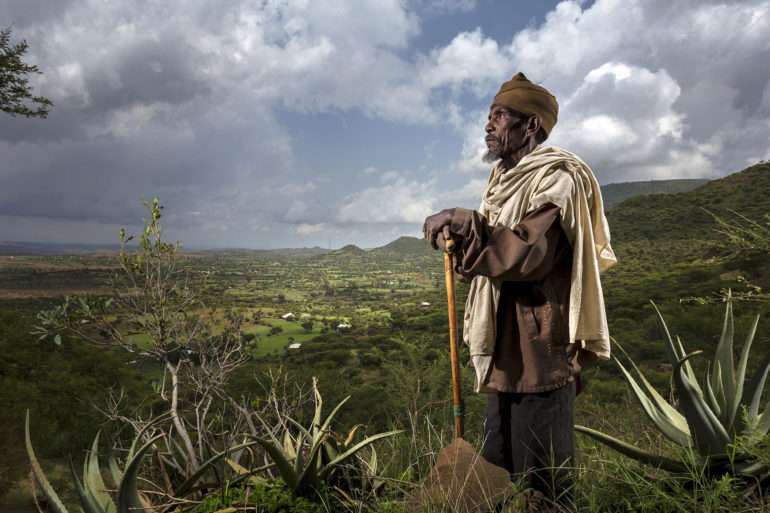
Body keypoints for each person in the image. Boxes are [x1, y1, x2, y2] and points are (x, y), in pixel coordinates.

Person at [423, 72, 617, 512]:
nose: (489, 125)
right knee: (499, 466)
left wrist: (463, 221)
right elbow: (490, 253)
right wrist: (460, 236)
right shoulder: (502, 181)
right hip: (504, 350)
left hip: (541, 350)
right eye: (489, 116)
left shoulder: (557, 180)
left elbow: (526, 255)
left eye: (500, 116)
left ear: (531, 126)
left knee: (542, 477)